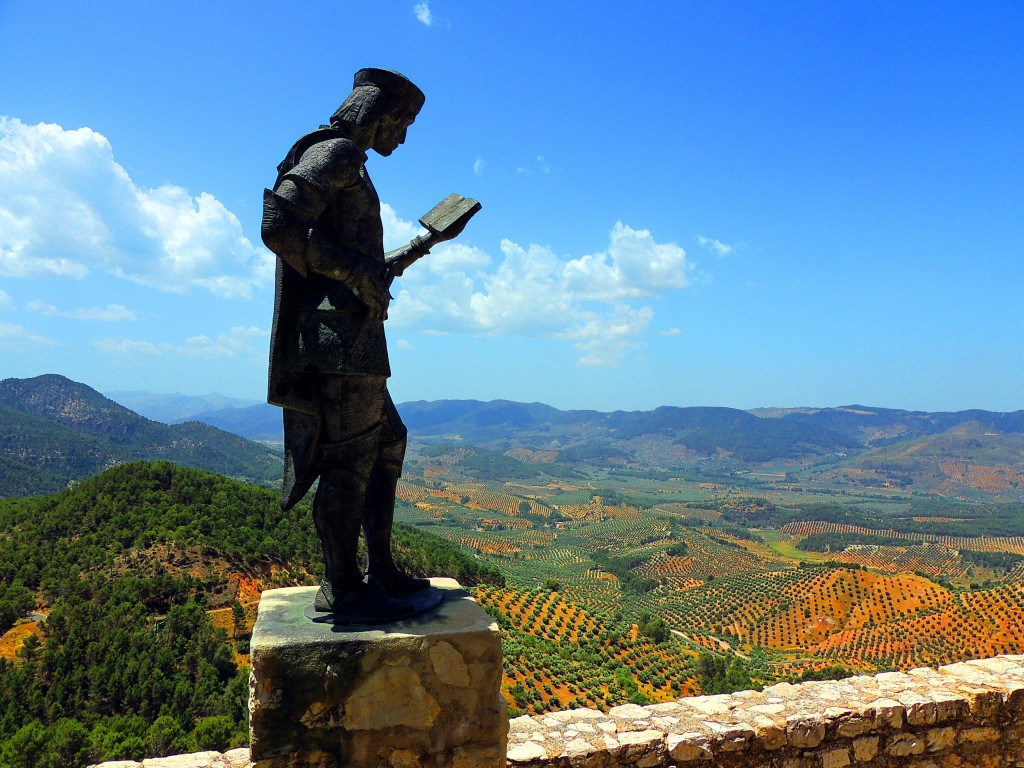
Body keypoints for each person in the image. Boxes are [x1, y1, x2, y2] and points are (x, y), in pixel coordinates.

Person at [262, 68, 441, 619]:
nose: (403, 136)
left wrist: (415, 248)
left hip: (354, 336)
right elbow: (278, 222)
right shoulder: (336, 153)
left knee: (388, 443)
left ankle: (379, 568)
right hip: (336, 340)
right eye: (403, 122)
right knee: (350, 459)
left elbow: (355, 263)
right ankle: (341, 585)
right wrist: (357, 274)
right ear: (378, 112)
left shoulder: (353, 167)